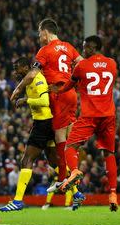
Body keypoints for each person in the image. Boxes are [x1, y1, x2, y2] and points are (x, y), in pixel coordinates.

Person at [0, 57, 84, 212]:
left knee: (26, 160)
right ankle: (76, 193)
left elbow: (44, 101)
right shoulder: (30, 80)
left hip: (43, 124)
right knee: (53, 163)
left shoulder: (37, 78)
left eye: (18, 68)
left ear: (26, 67)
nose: (16, 71)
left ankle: (17, 200)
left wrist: (26, 100)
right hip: (47, 123)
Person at [10, 18, 83, 189]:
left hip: (58, 94)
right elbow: (81, 63)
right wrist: (75, 83)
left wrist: (18, 89)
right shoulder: (68, 47)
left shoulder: (45, 50)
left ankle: (64, 178)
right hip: (71, 94)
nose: (38, 37)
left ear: (45, 32)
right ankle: (73, 173)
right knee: (69, 136)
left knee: (59, 137)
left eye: (39, 34)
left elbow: (32, 74)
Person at [55, 36, 119, 211]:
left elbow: (70, 84)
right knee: (109, 153)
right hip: (108, 116)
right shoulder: (112, 64)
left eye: (85, 47)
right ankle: (113, 194)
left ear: (92, 47)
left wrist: (58, 91)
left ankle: (74, 170)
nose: (83, 51)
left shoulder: (81, 66)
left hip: (89, 115)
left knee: (70, 146)